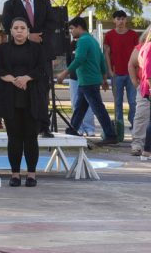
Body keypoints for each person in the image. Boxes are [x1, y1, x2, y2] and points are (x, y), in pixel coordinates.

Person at [0, 0, 56, 137]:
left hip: (41, 51)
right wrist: (27, 35)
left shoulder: (44, 2)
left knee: (42, 89)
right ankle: (20, 125)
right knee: (20, 88)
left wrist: (38, 37)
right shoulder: (9, 5)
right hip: (18, 54)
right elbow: (7, 24)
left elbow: (52, 24)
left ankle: (44, 126)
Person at [0, 18, 44, 187]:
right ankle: (15, 174)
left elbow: (41, 69)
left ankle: (31, 174)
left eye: (22, 28)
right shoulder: (3, 49)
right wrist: (15, 80)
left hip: (32, 98)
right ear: (11, 30)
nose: (19, 31)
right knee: (14, 138)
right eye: (15, 28)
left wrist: (26, 78)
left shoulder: (37, 49)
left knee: (31, 138)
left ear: (28, 31)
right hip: (10, 97)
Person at [60, 17, 118, 145]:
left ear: (79, 27)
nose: (70, 31)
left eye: (71, 28)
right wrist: (103, 78)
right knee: (80, 107)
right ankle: (72, 129)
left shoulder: (83, 41)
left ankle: (110, 134)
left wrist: (64, 73)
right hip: (89, 80)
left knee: (98, 108)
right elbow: (102, 59)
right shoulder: (93, 40)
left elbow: (79, 59)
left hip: (88, 80)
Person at [103, 10, 139, 137]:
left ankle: (135, 127)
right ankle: (119, 130)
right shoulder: (109, 35)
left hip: (131, 74)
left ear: (126, 20)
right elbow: (106, 53)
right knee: (117, 103)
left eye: (123, 18)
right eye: (118, 19)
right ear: (114, 20)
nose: (121, 21)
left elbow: (138, 54)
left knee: (133, 102)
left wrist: (137, 71)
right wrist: (110, 71)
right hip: (116, 74)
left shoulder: (133, 35)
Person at [129, 29, 151, 157]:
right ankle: (137, 144)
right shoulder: (143, 47)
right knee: (142, 115)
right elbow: (131, 64)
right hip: (145, 87)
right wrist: (134, 81)